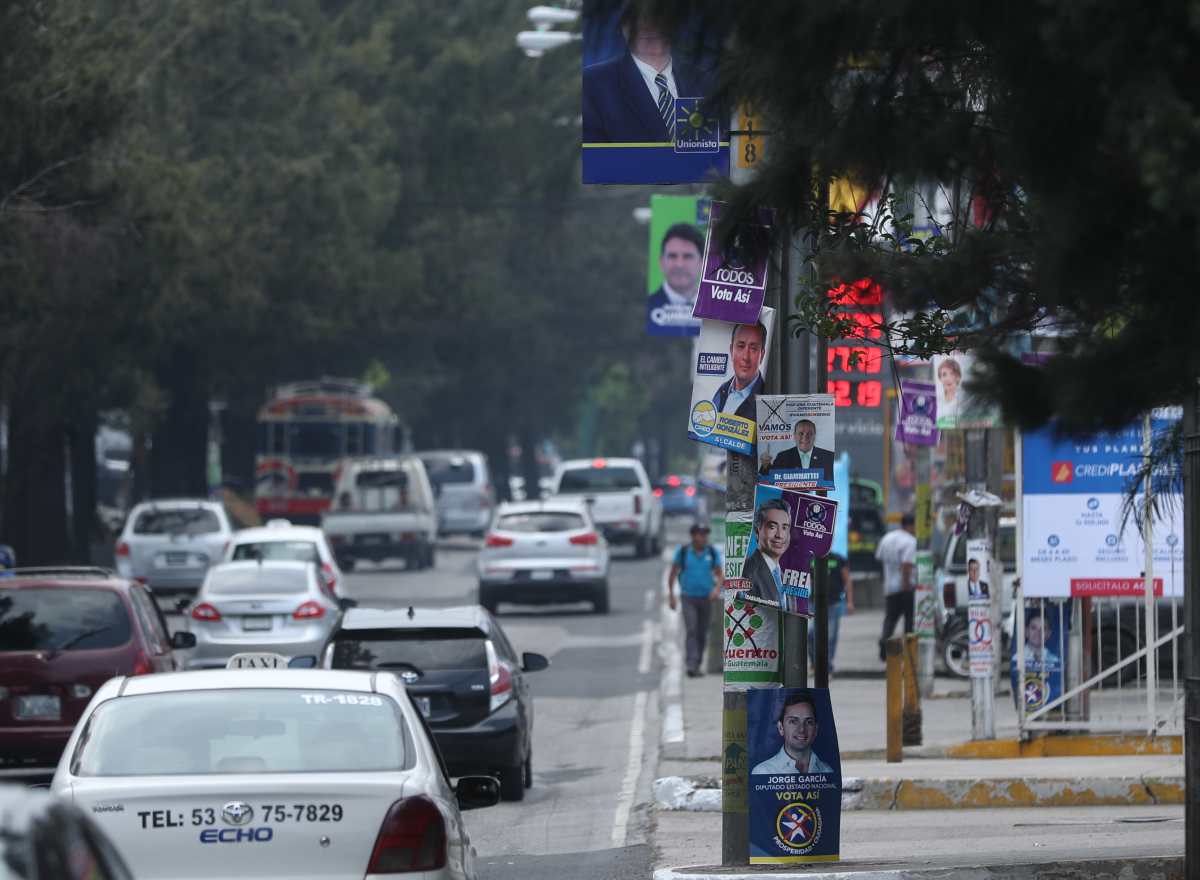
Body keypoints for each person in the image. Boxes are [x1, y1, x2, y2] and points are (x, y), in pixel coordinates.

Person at [582, 5, 699, 144]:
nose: (650, 26)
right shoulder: (591, 84)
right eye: (640, 17)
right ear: (624, 26)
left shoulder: (708, 80)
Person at [666, 523, 724, 678]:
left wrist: (716, 589)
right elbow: (673, 573)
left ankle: (697, 664)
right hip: (688, 597)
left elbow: (720, 575)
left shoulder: (711, 552)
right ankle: (691, 664)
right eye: (700, 534)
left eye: (705, 534)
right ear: (693, 536)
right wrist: (671, 596)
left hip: (706, 598)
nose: (703, 537)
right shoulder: (684, 552)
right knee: (691, 629)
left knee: (702, 632)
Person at [751, 692, 834, 775]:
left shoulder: (827, 771)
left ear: (815, 730)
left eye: (809, 722)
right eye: (793, 721)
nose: (801, 729)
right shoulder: (763, 772)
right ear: (781, 728)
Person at [646, 223, 704, 335]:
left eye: (687, 256)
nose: (679, 264)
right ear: (661, 262)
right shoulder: (647, 307)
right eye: (672, 256)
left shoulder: (715, 311)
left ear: (702, 262)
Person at [876, 512, 917, 662]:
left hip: (890, 587)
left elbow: (880, 559)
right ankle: (908, 649)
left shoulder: (887, 538)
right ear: (910, 525)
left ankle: (883, 648)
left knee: (890, 619)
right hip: (905, 587)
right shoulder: (910, 541)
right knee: (909, 619)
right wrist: (906, 585)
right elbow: (906, 565)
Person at [807, 553, 855, 673]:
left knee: (830, 636)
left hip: (833, 603)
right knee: (810, 634)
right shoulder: (811, 559)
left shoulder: (838, 559)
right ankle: (815, 662)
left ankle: (826, 667)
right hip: (814, 603)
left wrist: (850, 602)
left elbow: (847, 580)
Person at [711, 321, 766, 420]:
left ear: (762, 355)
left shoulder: (767, 399)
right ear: (731, 351)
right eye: (741, 346)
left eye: (753, 348)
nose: (746, 357)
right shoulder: (721, 391)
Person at [741, 498, 791, 605]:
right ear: (757, 531)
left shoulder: (784, 576)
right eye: (772, 527)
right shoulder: (747, 572)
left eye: (784, 528)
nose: (779, 535)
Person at [759, 419, 834, 485]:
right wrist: (765, 465)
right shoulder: (783, 457)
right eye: (801, 433)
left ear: (814, 436)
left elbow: (828, 483)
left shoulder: (828, 457)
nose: (805, 437)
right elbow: (769, 480)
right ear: (794, 436)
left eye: (809, 434)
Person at [937, 357, 962, 423]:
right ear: (940, 378)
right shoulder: (937, 400)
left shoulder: (964, 401)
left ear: (958, 377)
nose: (948, 378)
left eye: (952, 373)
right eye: (944, 374)